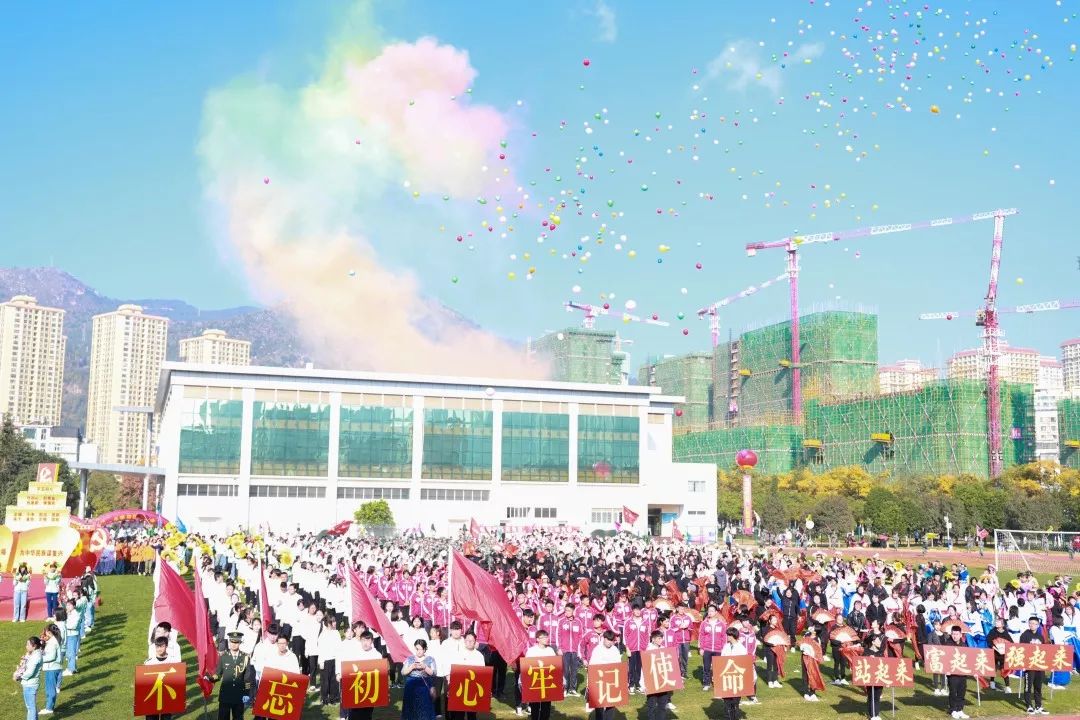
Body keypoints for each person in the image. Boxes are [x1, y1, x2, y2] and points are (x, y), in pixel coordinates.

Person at [337, 629, 383, 720]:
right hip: (356, 687)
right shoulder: (355, 653)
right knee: (354, 713)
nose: (365, 643)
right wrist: (340, 673)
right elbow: (348, 667)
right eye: (363, 640)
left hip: (369, 688)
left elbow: (380, 674)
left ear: (372, 641)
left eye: (368, 640)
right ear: (360, 641)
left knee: (367, 714)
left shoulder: (377, 655)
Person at [209, 631, 252, 720]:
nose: (233, 644)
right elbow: (218, 674)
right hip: (226, 694)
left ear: (239, 643)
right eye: (232, 642)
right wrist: (211, 678)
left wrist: (246, 694)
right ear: (229, 642)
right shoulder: (223, 657)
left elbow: (247, 678)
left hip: (239, 694)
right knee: (223, 718)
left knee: (238, 718)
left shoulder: (245, 658)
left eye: (236, 642)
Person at [447, 631, 485, 720]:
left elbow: (482, 674)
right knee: (458, 715)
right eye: (468, 640)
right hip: (460, 687)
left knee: (472, 715)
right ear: (464, 641)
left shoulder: (479, 656)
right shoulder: (458, 654)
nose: (470, 642)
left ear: (475, 642)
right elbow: (453, 671)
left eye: (472, 640)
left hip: (473, 688)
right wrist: (451, 687)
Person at [587, 630, 622, 720]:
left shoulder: (615, 650)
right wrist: (589, 683)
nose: (609, 642)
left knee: (611, 704)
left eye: (611, 640)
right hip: (600, 681)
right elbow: (592, 666)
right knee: (599, 705)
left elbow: (619, 665)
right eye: (608, 640)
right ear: (604, 638)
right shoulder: (597, 650)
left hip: (611, 680)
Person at [524, 630, 557, 720]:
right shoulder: (532, 651)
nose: (546, 639)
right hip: (535, 681)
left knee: (546, 707)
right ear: (538, 639)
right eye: (544, 637)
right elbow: (526, 666)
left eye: (547, 637)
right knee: (535, 707)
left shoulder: (550, 650)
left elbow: (555, 665)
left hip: (547, 681)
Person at [1018, 616, 1048, 715]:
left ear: (1038, 625)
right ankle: (1029, 706)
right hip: (1029, 665)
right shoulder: (1024, 635)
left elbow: (1044, 650)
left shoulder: (1040, 636)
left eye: (1034, 624)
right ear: (1028, 624)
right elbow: (1021, 649)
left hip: (1039, 665)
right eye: (1031, 623)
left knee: (1038, 686)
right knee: (1028, 686)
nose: (1032, 625)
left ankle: (1038, 706)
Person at [401, 639, 437, 720]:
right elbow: (403, 672)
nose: (418, 651)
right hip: (411, 686)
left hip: (424, 687)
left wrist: (425, 667)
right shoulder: (410, 659)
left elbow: (434, 673)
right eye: (417, 649)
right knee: (411, 708)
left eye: (421, 649)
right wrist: (411, 667)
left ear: (424, 649)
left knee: (424, 708)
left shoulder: (430, 659)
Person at [145, 636, 177, 720]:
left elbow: (177, 681)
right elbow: (144, 683)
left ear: (166, 646)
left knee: (166, 717)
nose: (159, 649)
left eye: (162, 646)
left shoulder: (173, 661)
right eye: (157, 646)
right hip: (152, 698)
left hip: (167, 697)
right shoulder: (149, 663)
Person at [942, 624, 970, 720]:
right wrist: (946, 670)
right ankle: (953, 710)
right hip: (952, 673)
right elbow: (944, 658)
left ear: (960, 635)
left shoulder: (964, 645)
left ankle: (960, 709)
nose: (955, 636)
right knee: (953, 691)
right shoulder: (947, 644)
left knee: (962, 691)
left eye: (957, 634)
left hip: (962, 672)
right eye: (953, 634)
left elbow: (968, 658)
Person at [642, 630, 671, 720]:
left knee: (662, 705)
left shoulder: (664, 649)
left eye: (661, 638)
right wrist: (643, 685)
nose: (660, 640)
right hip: (652, 682)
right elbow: (644, 668)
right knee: (651, 706)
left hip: (662, 681)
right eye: (658, 638)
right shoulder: (648, 650)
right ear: (653, 639)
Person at [719, 627, 746, 720]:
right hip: (727, 677)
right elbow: (722, 659)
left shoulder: (741, 648)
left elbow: (744, 663)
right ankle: (728, 717)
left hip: (737, 679)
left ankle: (734, 717)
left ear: (732, 636)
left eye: (728, 635)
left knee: (735, 702)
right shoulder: (726, 646)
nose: (727, 636)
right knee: (726, 701)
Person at [17, 636, 44, 720]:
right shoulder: (33, 654)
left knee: (30, 708)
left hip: (30, 685)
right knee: (31, 707)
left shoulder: (36, 656)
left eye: (28, 645)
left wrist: (19, 676)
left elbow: (30, 673)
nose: (26, 646)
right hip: (29, 684)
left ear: (34, 646)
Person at [41, 623, 63, 716]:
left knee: (50, 689)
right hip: (54, 667)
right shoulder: (54, 640)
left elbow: (51, 657)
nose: (45, 632)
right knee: (50, 688)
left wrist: (41, 658)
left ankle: (49, 708)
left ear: (49, 632)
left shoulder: (52, 642)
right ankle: (49, 706)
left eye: (46, 631)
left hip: (52, 668)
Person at [863, 631, 886, 720]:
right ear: (873, 642)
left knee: (877, 696)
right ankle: (872, 715)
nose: (880, 642)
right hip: (870, 678)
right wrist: (869, 659)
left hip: (879, 677)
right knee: (871, 696)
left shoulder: (881, 652)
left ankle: (876, 714)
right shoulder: (866, 651)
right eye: (878, 640)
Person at [61, 599, 81, 676]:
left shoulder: (76, 614)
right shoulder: (68, 613)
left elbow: (73, 626)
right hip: (68, 634)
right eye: (67, 605)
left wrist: (64, 625)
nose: (67, 606)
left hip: (72, 635)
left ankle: (71, 669)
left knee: (71, 652)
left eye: (69, 605)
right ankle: (73, 668)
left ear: (74, 606)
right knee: (68, 652)